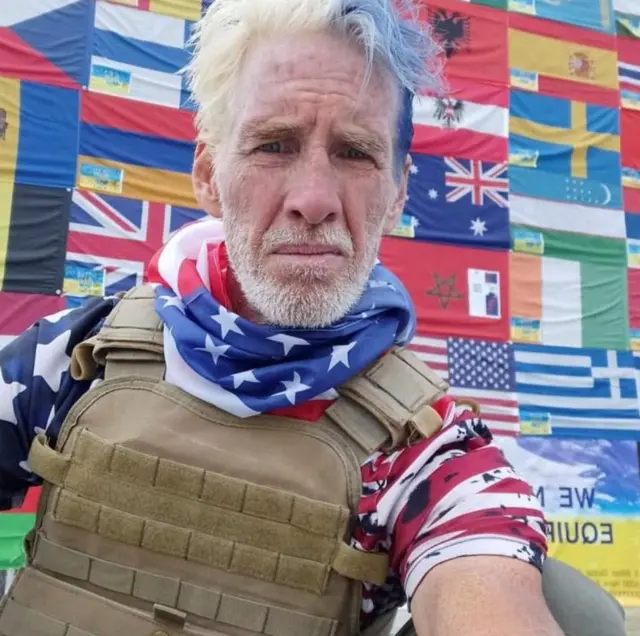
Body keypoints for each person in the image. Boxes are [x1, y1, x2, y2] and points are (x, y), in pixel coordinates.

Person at [0, 0, 627, 635]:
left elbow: (482, 575)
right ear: (208, 174)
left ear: (397, 195)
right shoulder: (79, 359)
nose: (314, 200)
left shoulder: (426, 449)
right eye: (274, 145)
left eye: (355, 153)